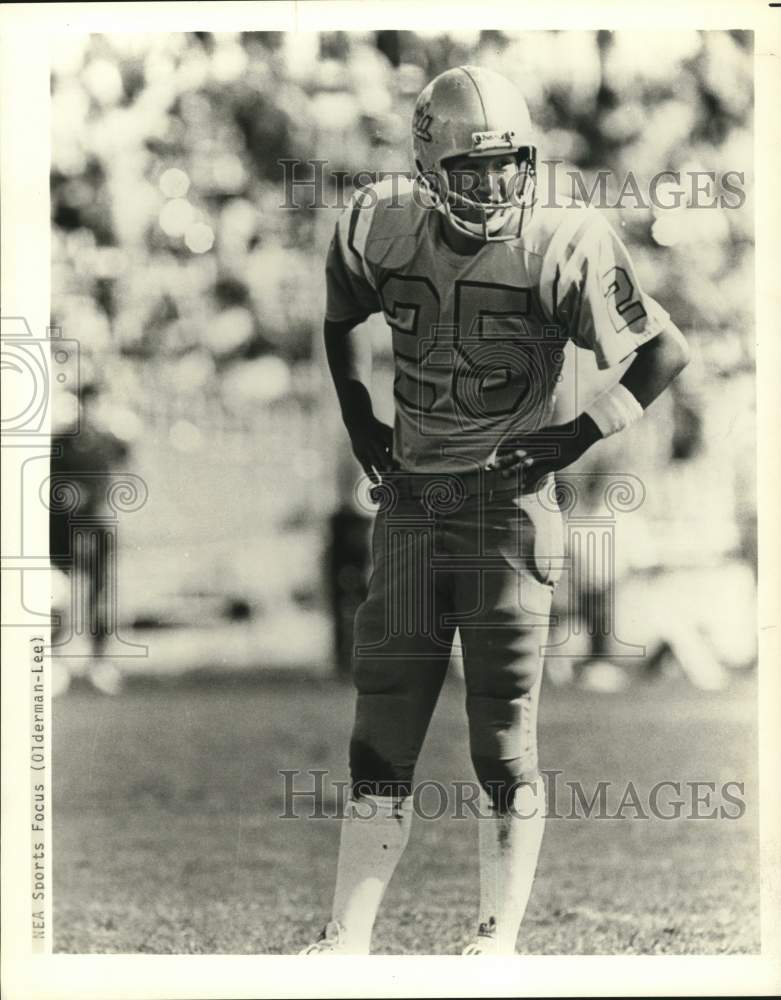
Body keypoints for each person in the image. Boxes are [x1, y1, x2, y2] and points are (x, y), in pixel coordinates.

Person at [302, 65, 689, 955]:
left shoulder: (564, 238)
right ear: (429, 163)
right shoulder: (377, 221)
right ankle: (345, 939)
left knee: (500, 735)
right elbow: (337, 320)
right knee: (380, 722)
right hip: (408, 501)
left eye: (506, 166)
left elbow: (662, 351)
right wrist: (357, 408)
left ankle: (494, 936)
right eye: (471, 170)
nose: (490, 185)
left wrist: (578, 435)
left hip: (507, 509)